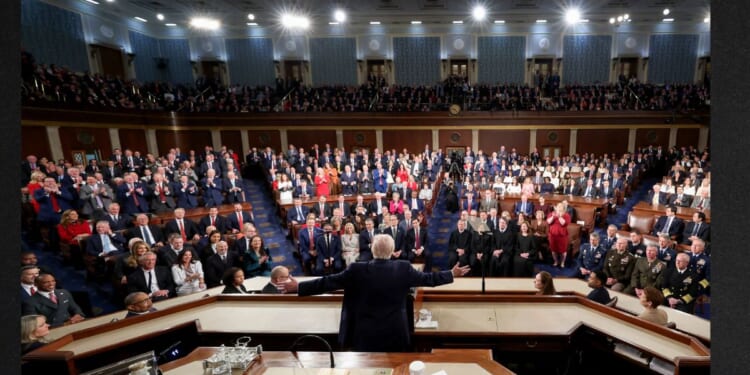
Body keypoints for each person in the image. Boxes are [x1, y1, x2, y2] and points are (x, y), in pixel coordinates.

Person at [279, 234, 470, 352]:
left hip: (365, 334)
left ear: (371, 250)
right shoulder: (403, 268)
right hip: (396, 333)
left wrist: (299, 287)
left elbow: (327, 282)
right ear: (393, 250)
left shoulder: (356, 269)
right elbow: (430, 280)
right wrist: (451, 274)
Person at [546, 203, 570, 268]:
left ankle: (562, 262)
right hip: (552, 236)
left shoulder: (566, 215)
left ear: (563, 208)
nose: (559, 207)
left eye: (560, 206)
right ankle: (556, 261)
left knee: (563, 251)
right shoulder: (552, 213)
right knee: (553, 250)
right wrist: (553, 216)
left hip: (562, 237)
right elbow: (548, 222)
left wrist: (559, 216)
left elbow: (564, 223)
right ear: (556, 207)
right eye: (558, 206)